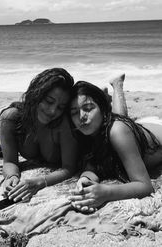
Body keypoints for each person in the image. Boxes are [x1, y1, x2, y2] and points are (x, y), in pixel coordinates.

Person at [68, 80, 162, 212]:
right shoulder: (86, 133)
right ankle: (113, 88)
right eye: (74, 112)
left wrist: (106, 192)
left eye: (88, 108)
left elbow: (145, 186)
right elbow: (93, 165)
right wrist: (85, 180)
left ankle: (116, 86)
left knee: (117, 126)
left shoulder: (117, 131)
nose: (81, 117)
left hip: (156, 129)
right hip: (140, 126)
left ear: (103, 108)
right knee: (117, 123)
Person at [0, 68, 79, 202]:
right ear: (36, 93)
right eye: (49, 101)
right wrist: (12, 177)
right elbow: (9, 162)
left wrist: (40, 182)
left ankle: (114, 89)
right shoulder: (11, 118)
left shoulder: (62, 123)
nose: (53, 111)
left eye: (61, 107)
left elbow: (68, 168)